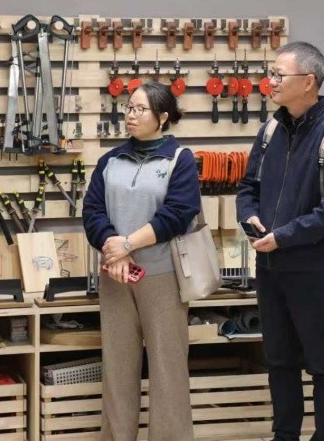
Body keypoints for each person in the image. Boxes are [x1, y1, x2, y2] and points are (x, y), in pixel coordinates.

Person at [237, 41, 324, 441]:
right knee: (279, 361)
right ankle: (285, 435)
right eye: (270, 73)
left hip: (312, 270)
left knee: (323, 364)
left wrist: (284, 237)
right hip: (269, 268)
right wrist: (248, 216)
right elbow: (248, 187)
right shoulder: (270, 130)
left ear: (308, 81)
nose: (270, 81)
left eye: (278, 74)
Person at [82, 81, 201, 441]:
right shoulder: (110, 160)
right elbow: (92, 211)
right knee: (117, 368)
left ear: (162, 117)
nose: (131, 115)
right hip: (115, 277)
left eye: (140, 109)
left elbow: (176, 214)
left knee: (167, 369)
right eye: (129, 108)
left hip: (162, 276)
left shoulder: (180, 160)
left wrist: (127, 245)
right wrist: (113, 249)